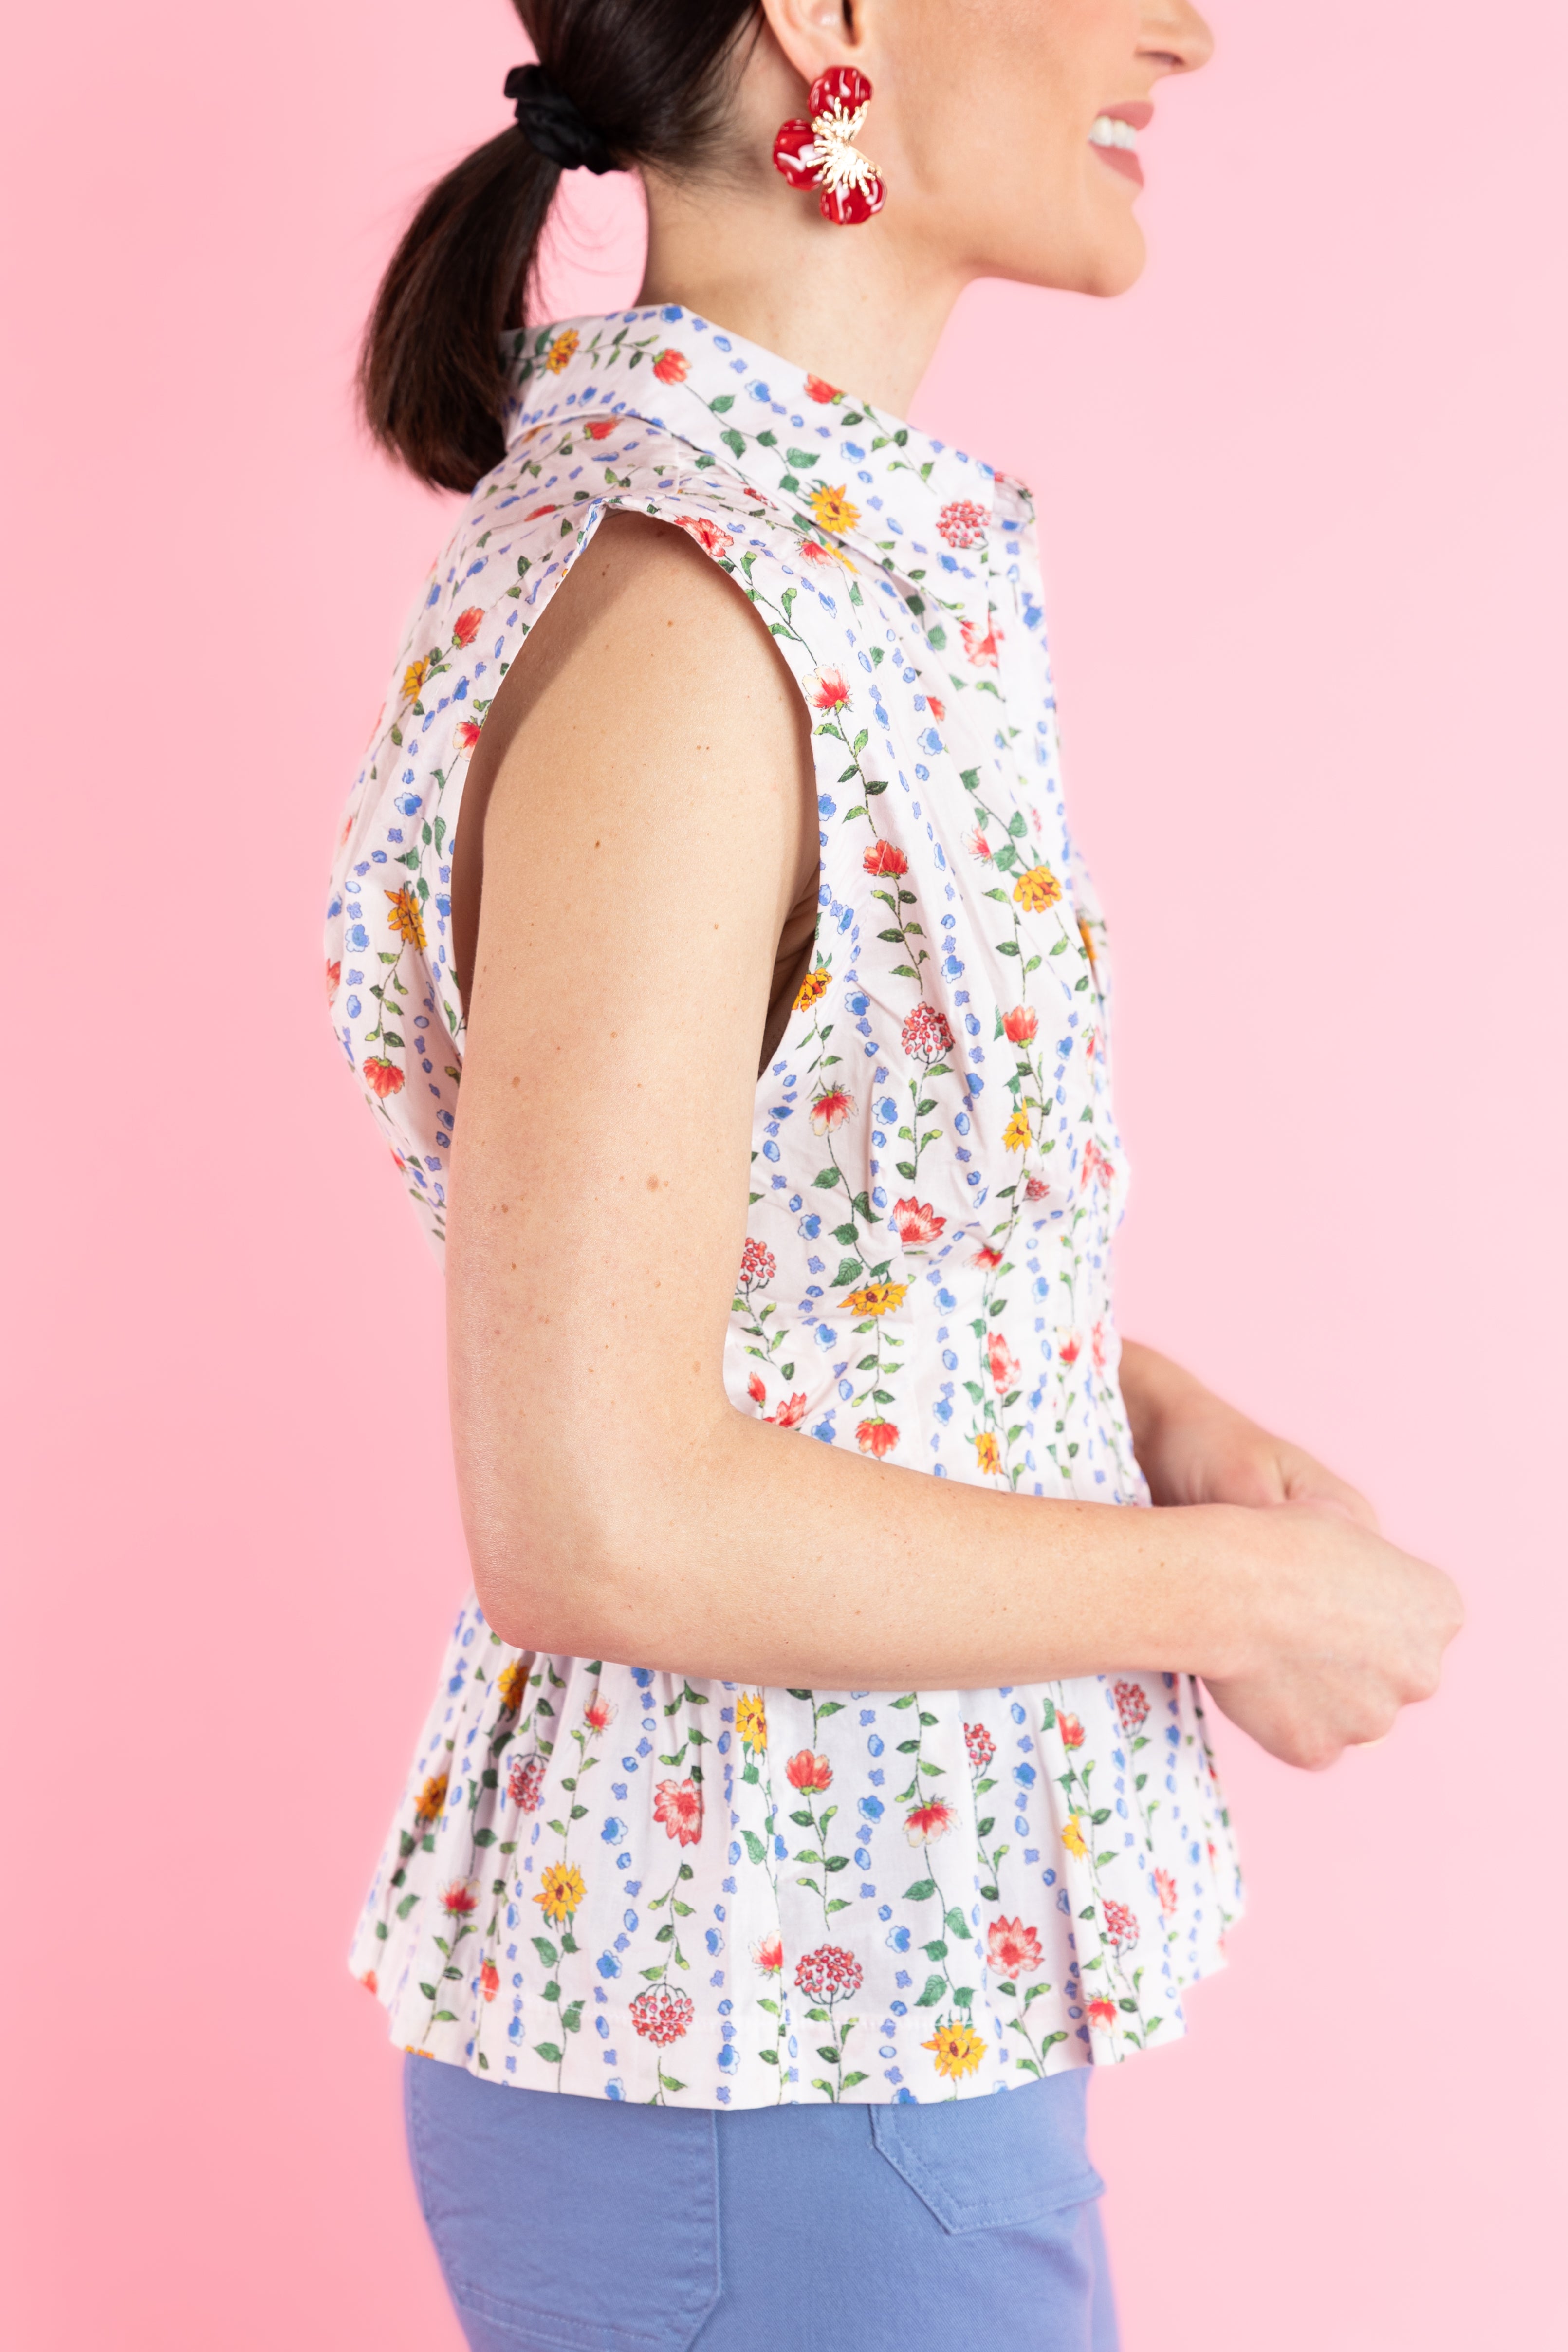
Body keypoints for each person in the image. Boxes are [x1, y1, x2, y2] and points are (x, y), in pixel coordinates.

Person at [327, 2, 1462, 2343]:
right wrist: (1239, 1599)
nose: (1183, 30)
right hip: (771, 2058)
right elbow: (597, 1509)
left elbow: (767, 1252)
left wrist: (1125, 1408)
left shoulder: (781, 559)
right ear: (827, 19)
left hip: (820, 2036)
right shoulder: (693, 623)